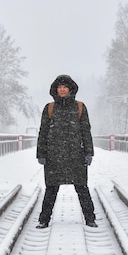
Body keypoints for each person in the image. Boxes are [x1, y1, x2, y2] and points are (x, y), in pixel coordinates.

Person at [36, 74, 98, 228]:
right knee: (51, 189)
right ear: (55, 89)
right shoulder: (49, 108)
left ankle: (90, 219)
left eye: (65, 87)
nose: (62, 90)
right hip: (53, 155)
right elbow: (43, 132)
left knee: (82, 187)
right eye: (60, 87)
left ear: (70, 89)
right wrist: (41, 153)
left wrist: (89, 152)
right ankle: (44, 220)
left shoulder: (80, 107)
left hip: (76, 154)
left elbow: (86, 131)